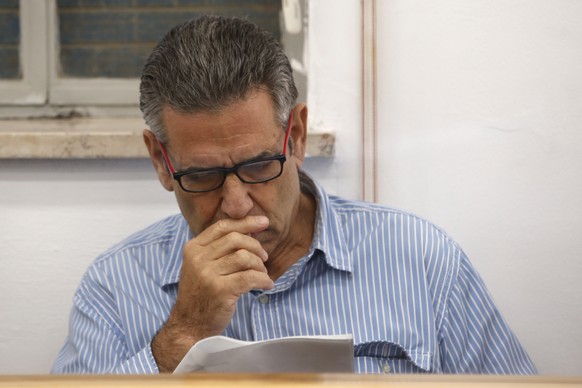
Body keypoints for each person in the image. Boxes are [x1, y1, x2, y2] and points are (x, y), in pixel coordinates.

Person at [52, 15, 536, 375]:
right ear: (161, 161)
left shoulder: (422, 260)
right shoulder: (114, 288)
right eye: (202, 175)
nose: (237, 204)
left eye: (260, 165)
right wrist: (184, 336)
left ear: (297, 136)